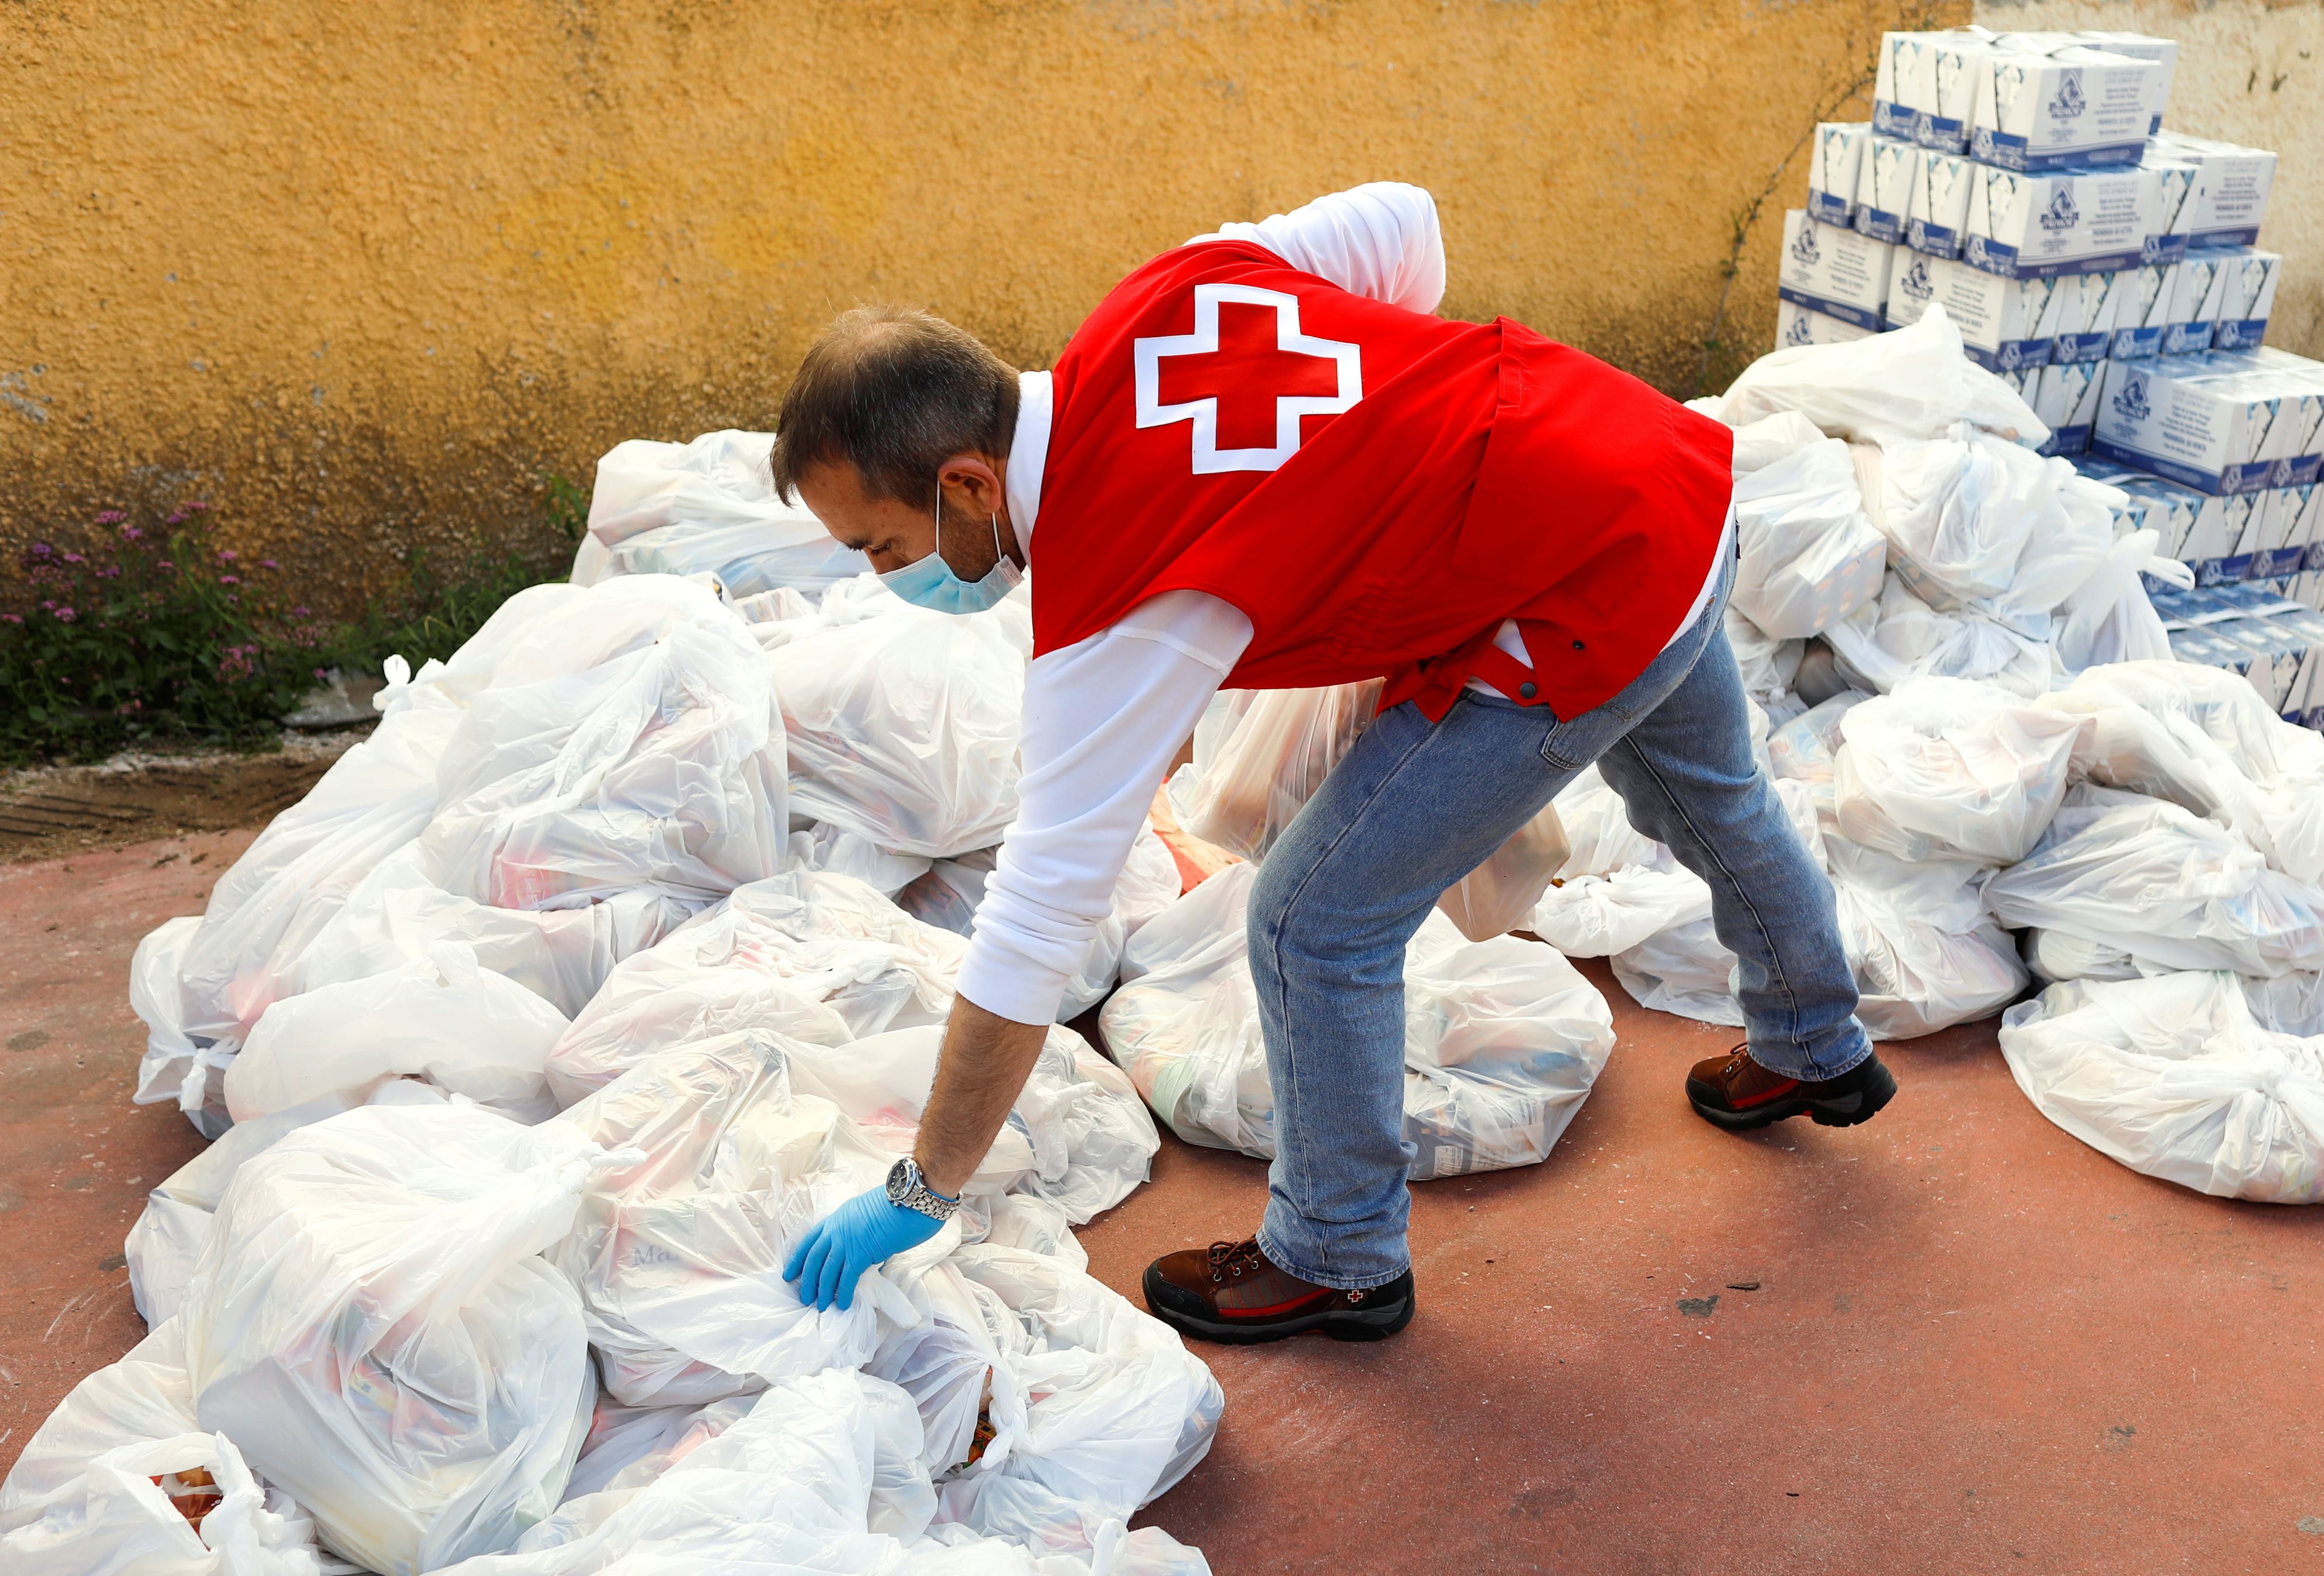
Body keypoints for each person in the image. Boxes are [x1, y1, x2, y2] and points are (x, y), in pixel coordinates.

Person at [774, 182, 1892, 1346]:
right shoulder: (1161, 300)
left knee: (1312, 921)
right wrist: (1382, 437)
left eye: (883, 546)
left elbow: (1034, 919)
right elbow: (1407, 224)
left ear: (964, 484)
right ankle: (1817, 1049)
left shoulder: (1120, 601)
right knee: (1705, 792)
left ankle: (1337, 1254)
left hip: (1570, 592)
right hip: (1649, 476)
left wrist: (922, 1189)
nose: (883, 574)